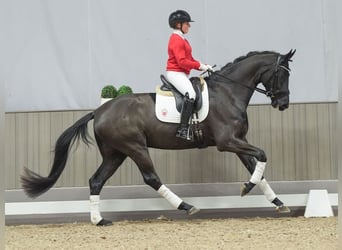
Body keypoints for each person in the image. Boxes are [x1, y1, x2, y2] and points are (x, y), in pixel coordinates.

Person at [166, 10, 213, 140]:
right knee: (191, 94)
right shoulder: (176, 40)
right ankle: (183, 129)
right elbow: (181, 62)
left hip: (181, 73)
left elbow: (190, 59)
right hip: (175, 73)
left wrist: (203, 66)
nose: (189, 26)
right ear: (178, 24)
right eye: (187, 23)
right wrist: (199, 66)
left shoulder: (183, 40)